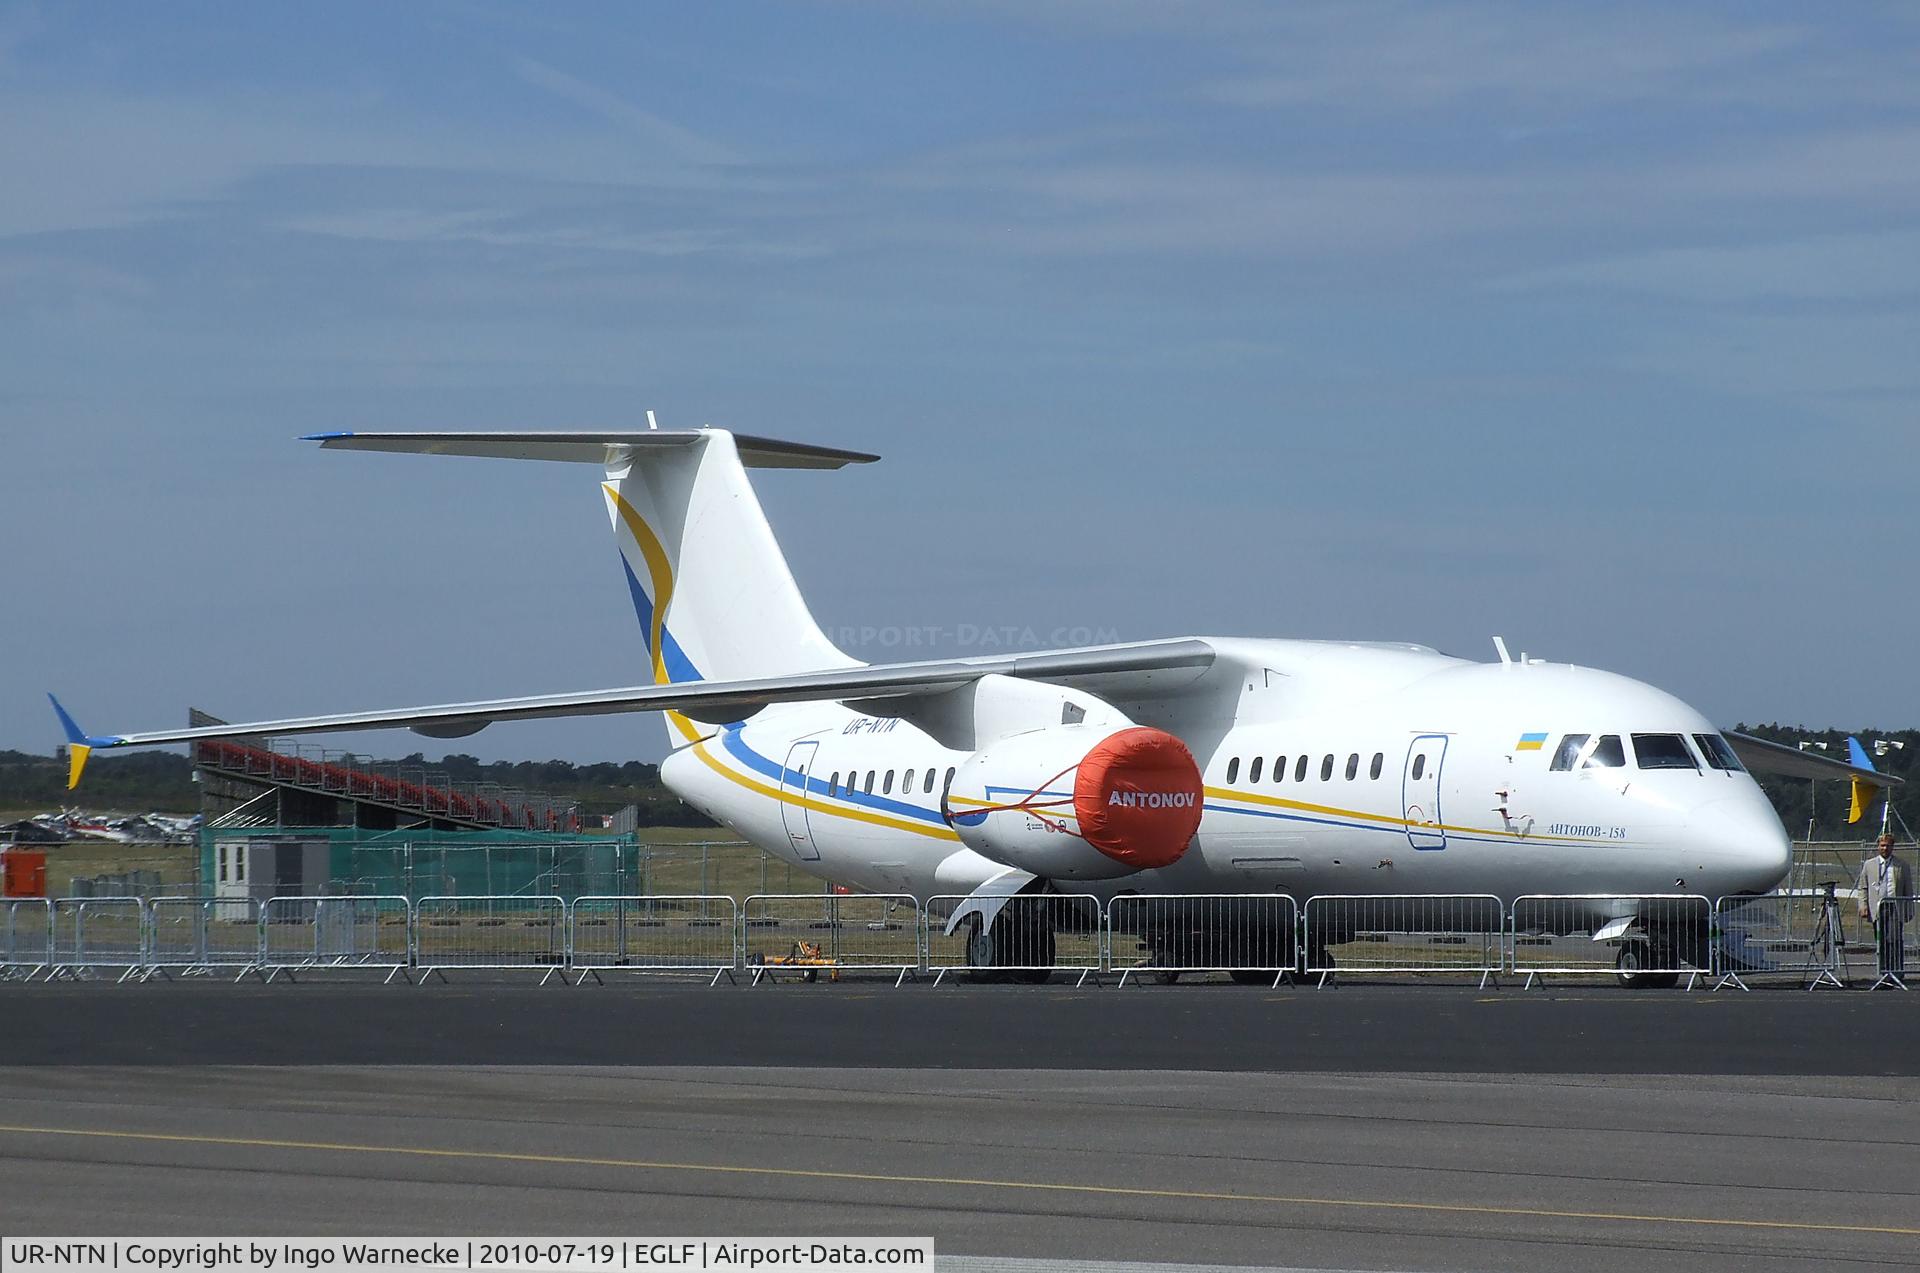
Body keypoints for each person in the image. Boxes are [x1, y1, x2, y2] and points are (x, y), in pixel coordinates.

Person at [1858, 834, 1913, 977]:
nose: (1885, 848)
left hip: (1895, 906)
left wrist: (1909, 910)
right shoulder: (1869, 865)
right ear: (1878, 847)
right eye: (1882, 845)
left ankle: (1896, 972)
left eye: (1888, 846)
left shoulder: (1902, 865)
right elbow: (1863, 887)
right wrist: (1863, 906)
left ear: (1892, 847)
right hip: (1878, 908)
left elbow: (1908, 890)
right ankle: (1883, 973)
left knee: (1894, 939)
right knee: (1881, 941)